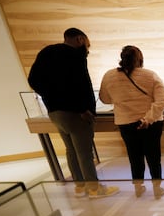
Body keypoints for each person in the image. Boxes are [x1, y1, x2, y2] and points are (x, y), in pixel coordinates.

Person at [28, 27, 119, 198]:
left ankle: (80, 186)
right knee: (84, 152)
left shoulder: (47, 52)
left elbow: (33, 80)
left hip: (55, 112)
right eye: (87, 43)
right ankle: (94, 188)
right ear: (79, 39)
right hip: (77, 114)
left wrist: (50, 97)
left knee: (71, 150)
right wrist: (82, 109)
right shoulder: (75, 56)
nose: (87, 48)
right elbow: (79, 85)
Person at [99, 45, 164, 199]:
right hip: (151, 124)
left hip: (125, 122)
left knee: (134, 156)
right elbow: (162, 100)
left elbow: (105, 98)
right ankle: (157, 189)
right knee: (153, 156)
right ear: (140, 59)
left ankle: (138, 187)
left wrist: (121, 100)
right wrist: (148, 119)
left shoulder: (109, 76)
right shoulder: (150, 75)